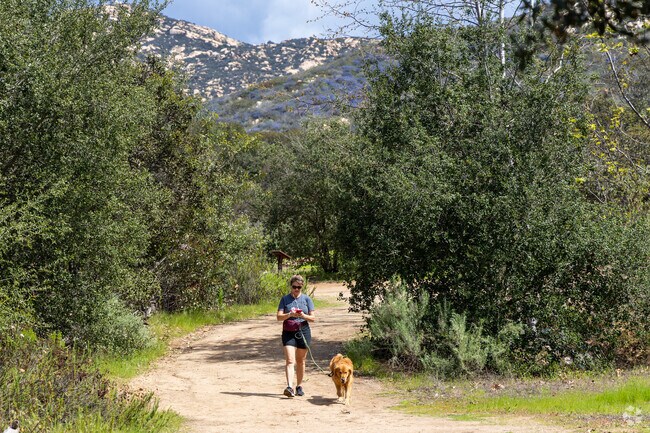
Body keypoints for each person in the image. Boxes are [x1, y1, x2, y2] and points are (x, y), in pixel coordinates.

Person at [277, 274, 316, 398]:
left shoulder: (307, 299)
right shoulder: (284, 299)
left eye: (299, 287)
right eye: (294, 287)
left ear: (302, 287)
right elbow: (278, 317)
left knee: (301, 361)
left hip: (303, 331)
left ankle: (299, 386)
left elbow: (313, 318)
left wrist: (303, 316)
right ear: (291, 286)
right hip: (288, 332)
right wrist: (289, 314)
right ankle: (289, 387)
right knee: (290, 360)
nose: (296, 289)